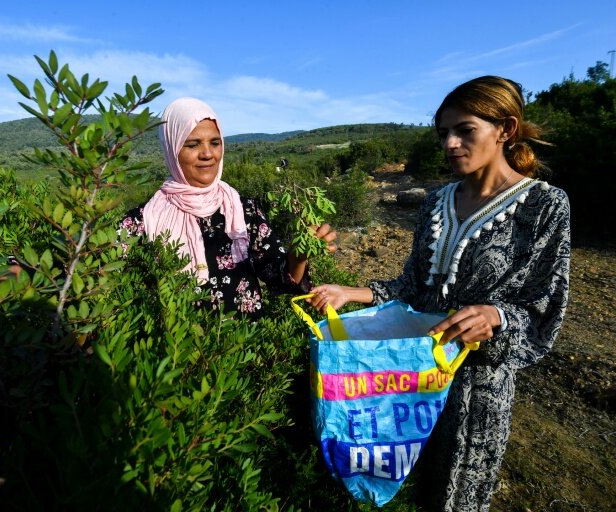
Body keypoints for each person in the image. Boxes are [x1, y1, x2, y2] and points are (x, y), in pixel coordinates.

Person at [309, 76, 570, 511]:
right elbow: (412, 288)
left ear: (505, 129)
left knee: (453, 493)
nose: (450, 144)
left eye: (464, 131)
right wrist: (349, 293)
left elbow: (545, 307)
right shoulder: (435, 202)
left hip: (475, 391)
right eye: (443, 134)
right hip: (409, 381)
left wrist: (497, 316)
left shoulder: (545, 205)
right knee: (398, 483)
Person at [119, 97, 336, 320]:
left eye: (215, 142)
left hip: (246, 351)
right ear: (172, 149)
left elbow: (281, 279)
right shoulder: (142, 223)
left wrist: (298, 256)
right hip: (173, 352)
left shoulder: (243, 211)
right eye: (192, 144)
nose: (207, 154)